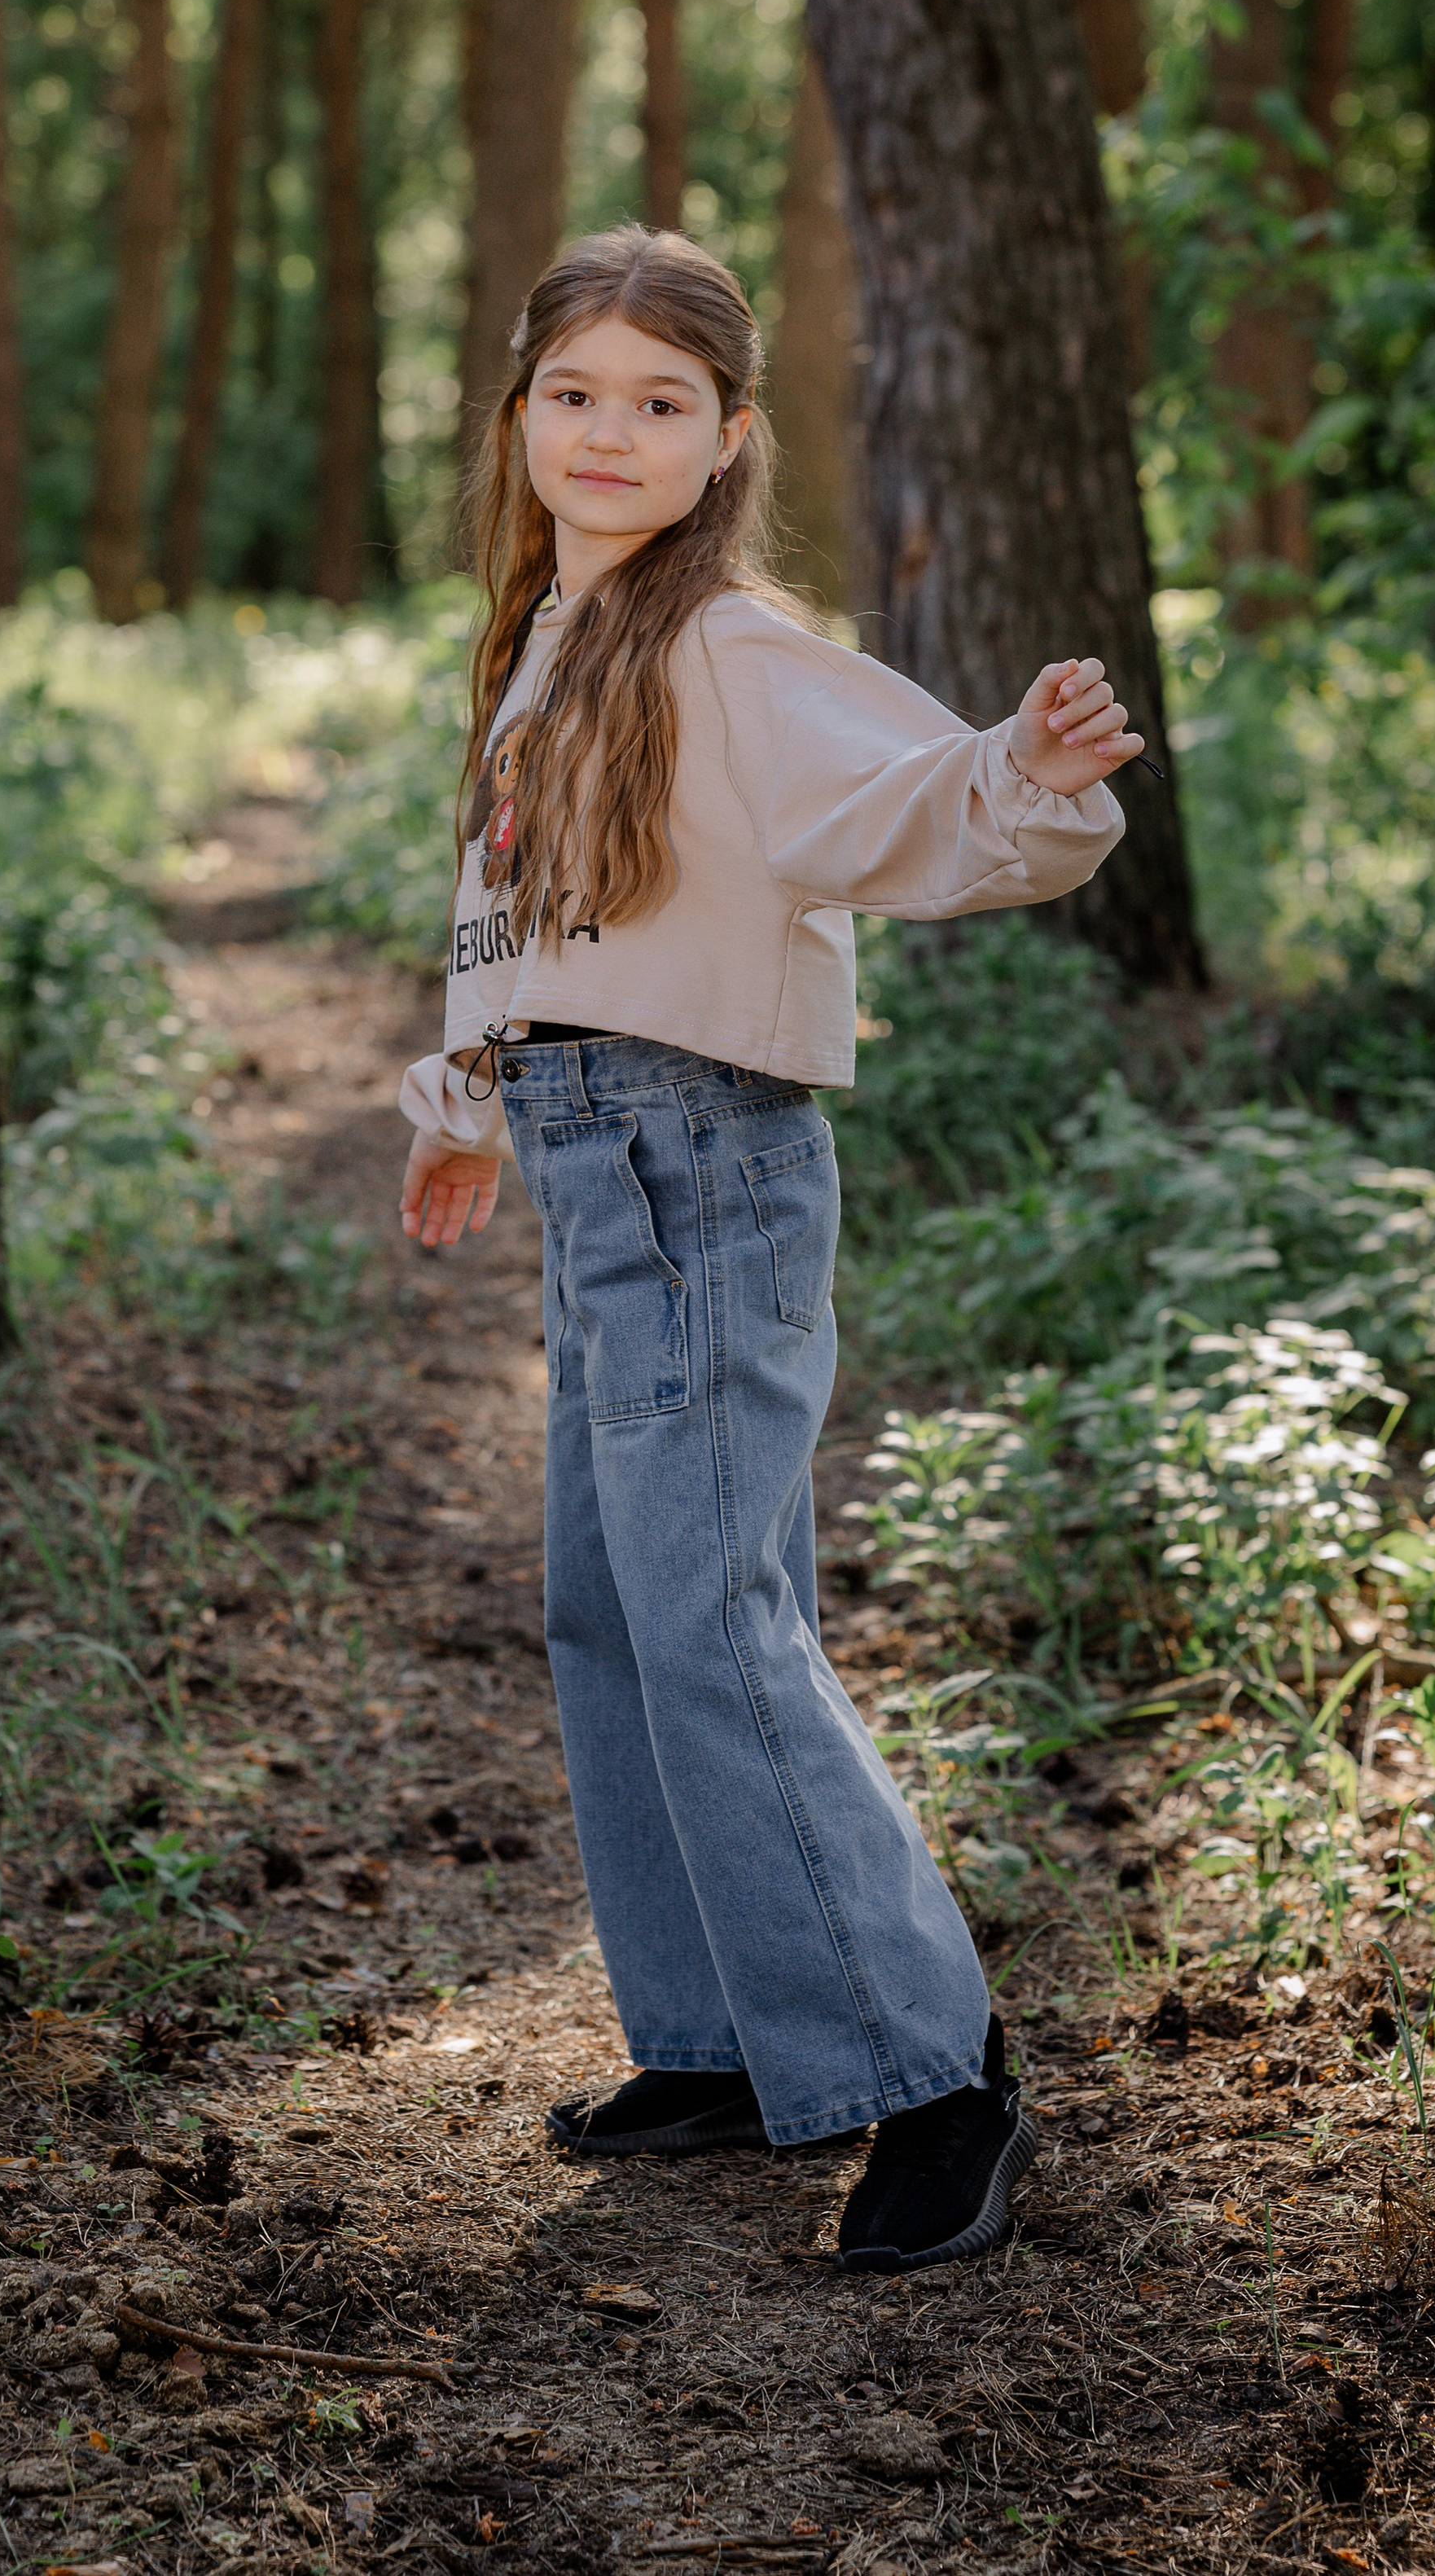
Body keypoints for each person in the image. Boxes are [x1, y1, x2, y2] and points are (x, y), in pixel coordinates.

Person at [397, 226, 1142, 2272]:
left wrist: (1026, 771)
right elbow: (522, 901)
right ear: (521, 416)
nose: (608, 431)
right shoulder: (556, 632)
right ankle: (728, 2034)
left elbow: (914, 804)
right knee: (609, 1611)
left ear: (728, 438)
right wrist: (467, 1097)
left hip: (698, 1162)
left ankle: (933, 2073)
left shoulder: (726, 644)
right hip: (589, 1156)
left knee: (713, 1613)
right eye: (574, 394)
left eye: (658, 402)